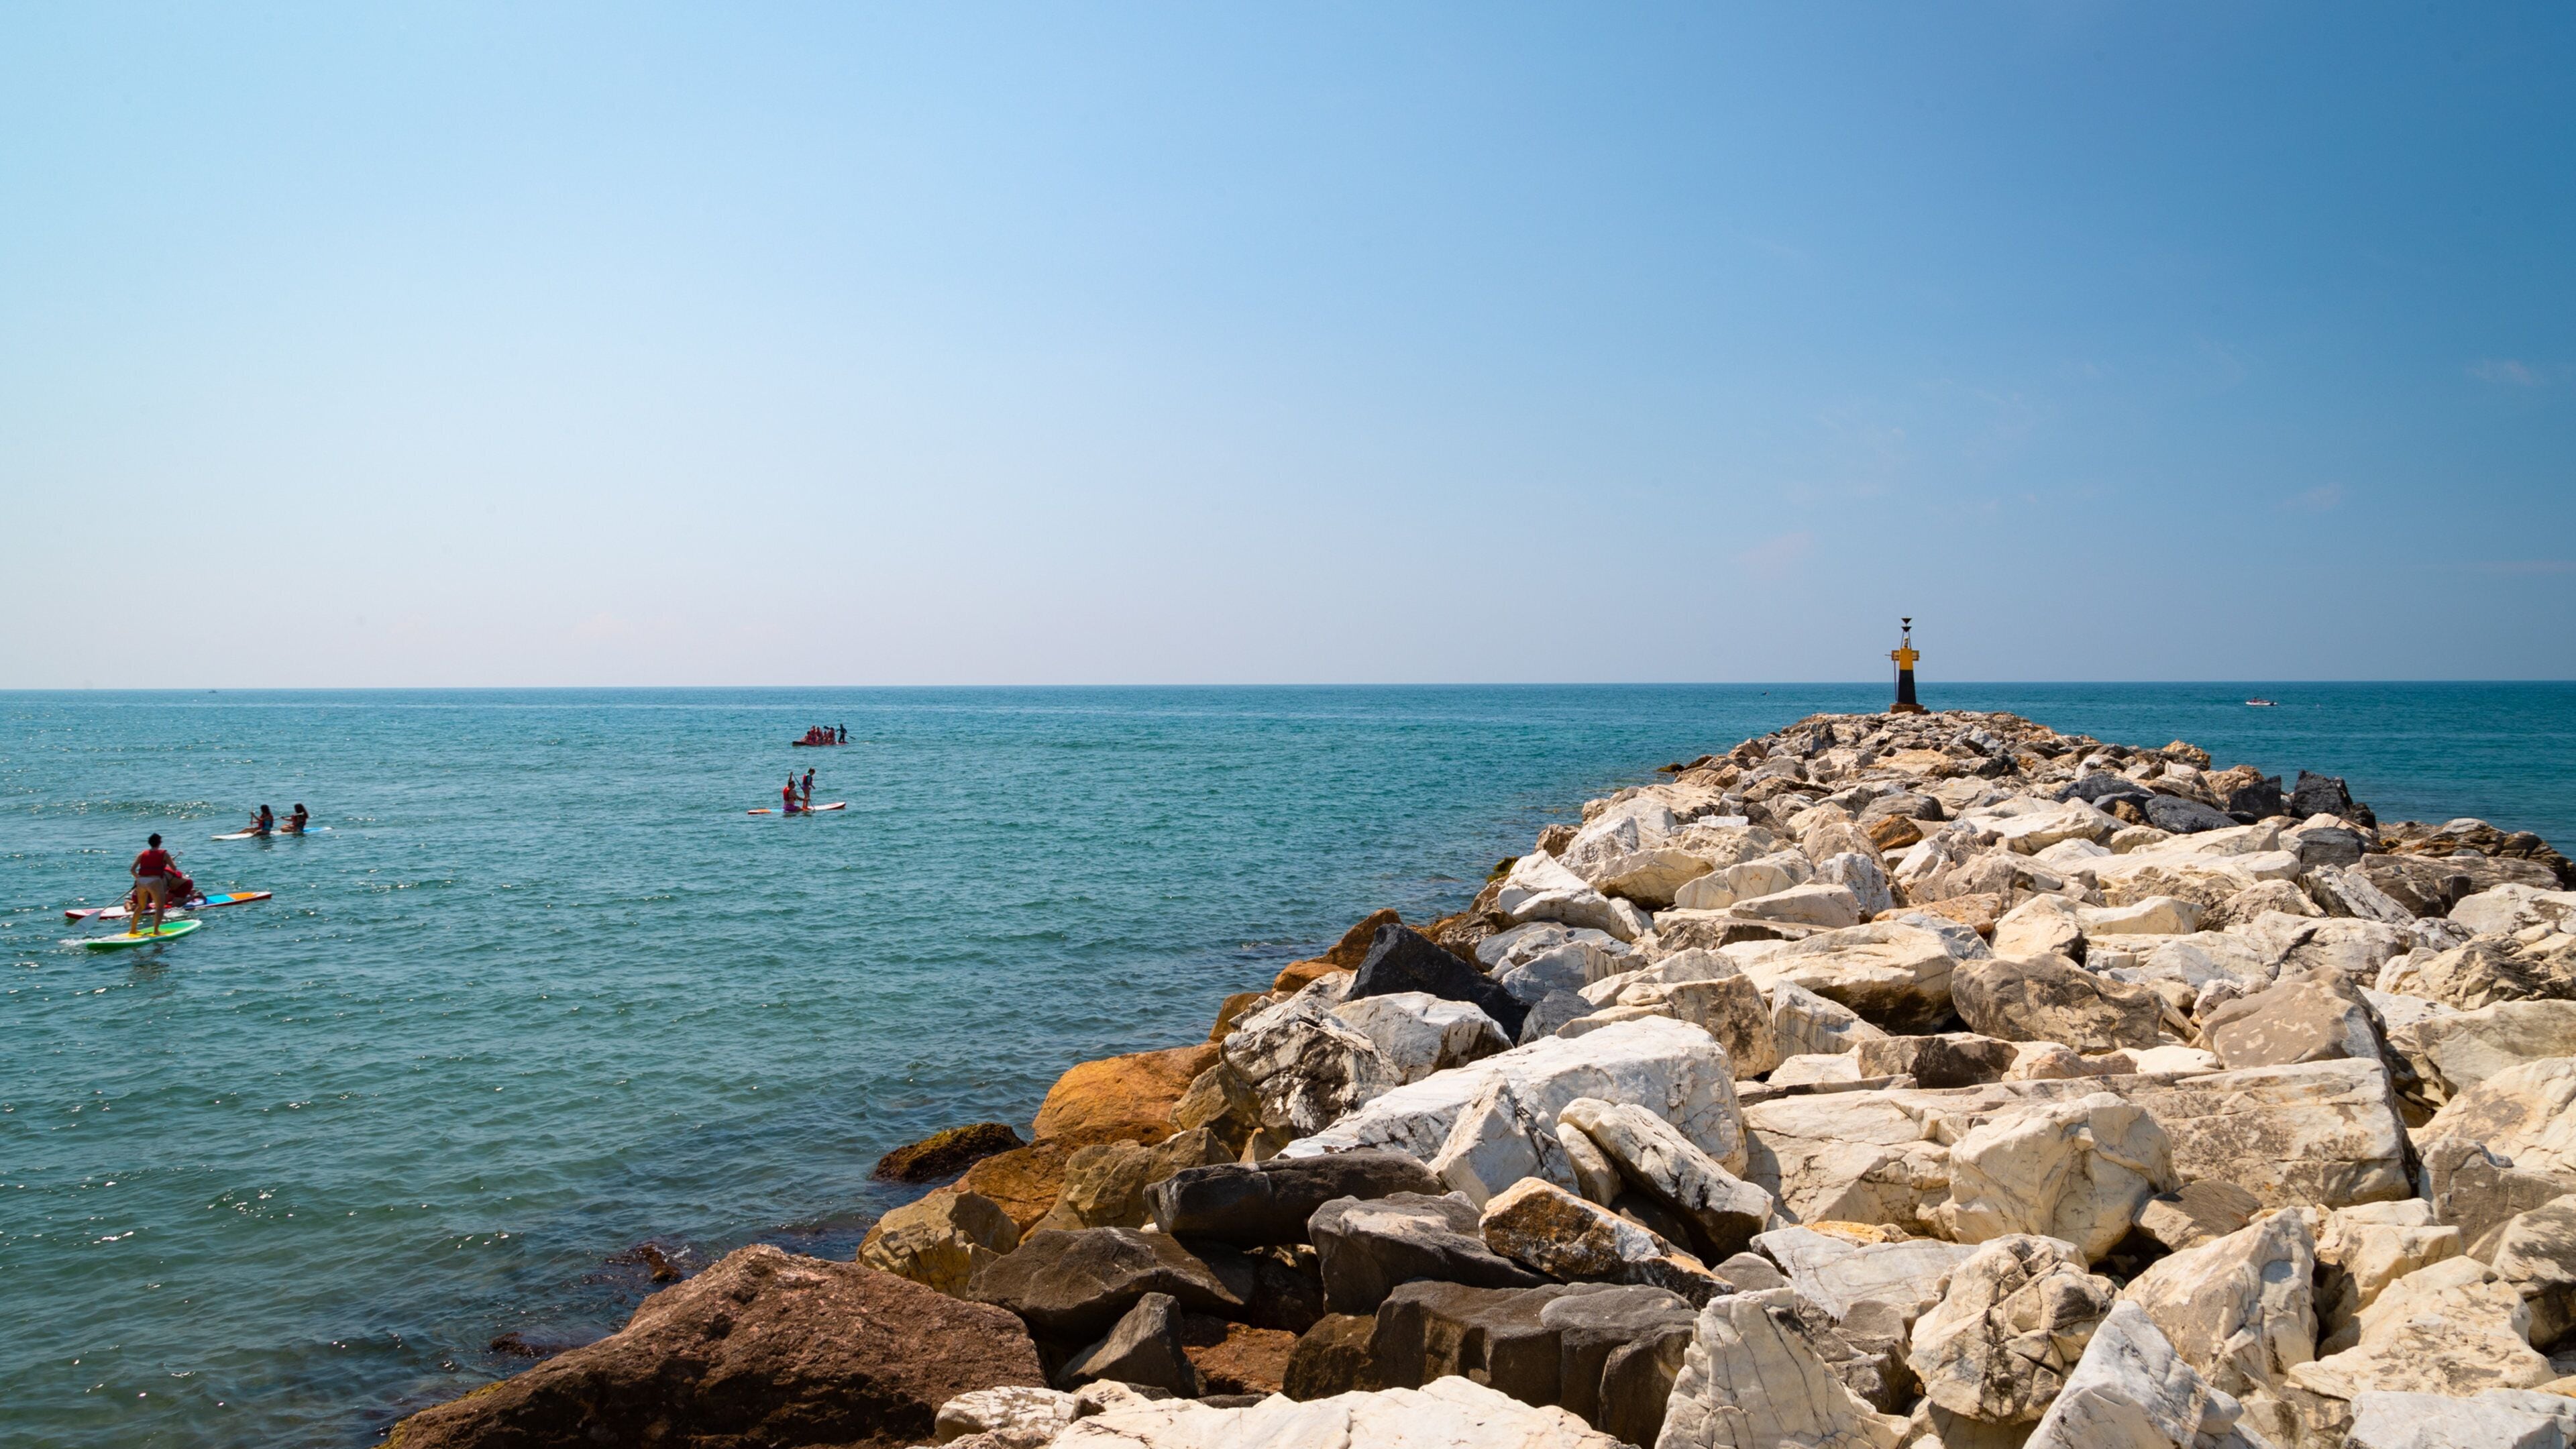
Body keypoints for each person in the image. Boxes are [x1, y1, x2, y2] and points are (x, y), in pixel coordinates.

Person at [130, 833, 177, 934]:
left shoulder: (142, 854)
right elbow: (174, 868)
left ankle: (133, 930)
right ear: (159, 843)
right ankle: (156, 931)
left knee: (141, 906)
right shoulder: (164, 854)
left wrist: (139, 879)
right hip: (155, 881)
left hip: (141, 881)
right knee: (160, 907)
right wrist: (170, 861)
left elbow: (133, 870)